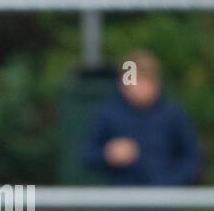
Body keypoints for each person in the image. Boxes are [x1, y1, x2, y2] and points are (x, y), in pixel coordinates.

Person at [82, 50, 202, 186]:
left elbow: (191, 157)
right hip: (121, 199)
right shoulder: (108, 113)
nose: (141, 88)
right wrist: (109, 155)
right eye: (136, 82)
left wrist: (171, 182)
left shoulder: (173, 114)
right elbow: (88, 155)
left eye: (146, 82)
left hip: (163, 200)